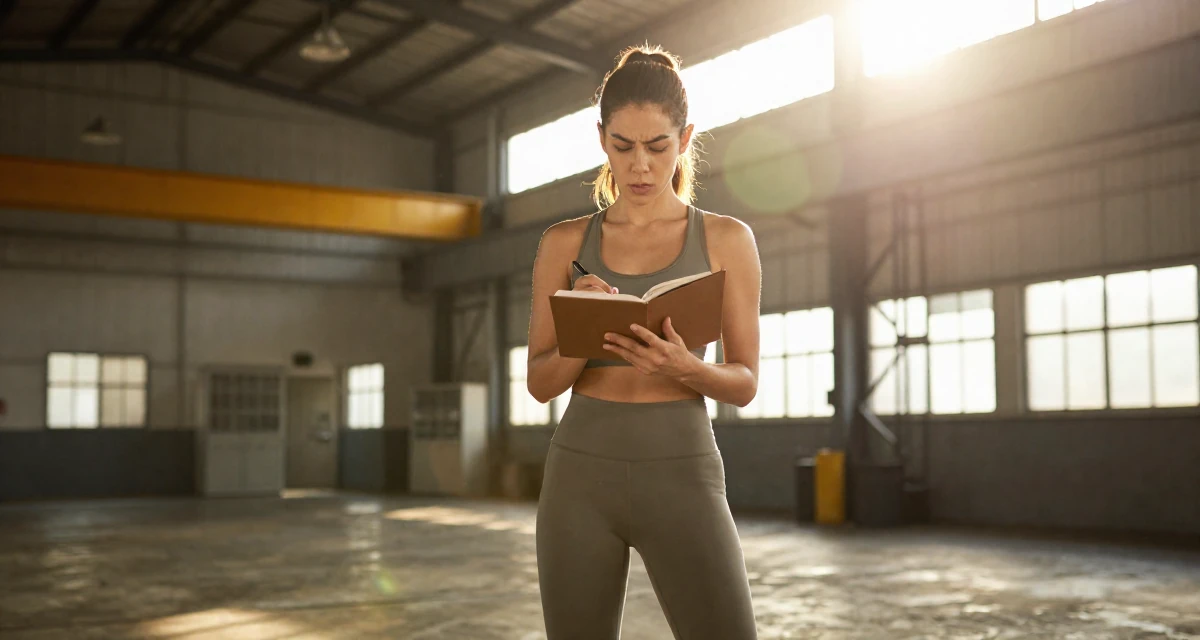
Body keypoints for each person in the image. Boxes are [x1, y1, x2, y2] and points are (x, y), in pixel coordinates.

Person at [525, 44, 763, 640]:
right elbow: (538, 382)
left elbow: (745, 383)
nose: (640, 167)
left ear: (685, 140)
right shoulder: (563, 244)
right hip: (579, 475)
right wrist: (588, 329)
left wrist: (686, 367)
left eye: (657, 147)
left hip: (681, 469)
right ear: (600, 137)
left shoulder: (726, 239)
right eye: (622, 146)